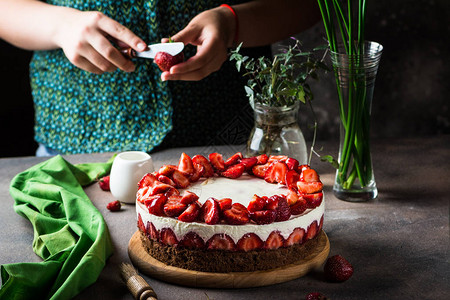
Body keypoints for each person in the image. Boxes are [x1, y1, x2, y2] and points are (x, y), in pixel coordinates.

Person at [0, 0, 319, 156]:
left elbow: (309, 5)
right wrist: (59, 25)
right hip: (75, 142)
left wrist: (233, 23)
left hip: (225, 138)